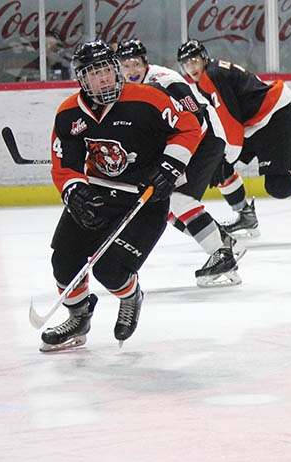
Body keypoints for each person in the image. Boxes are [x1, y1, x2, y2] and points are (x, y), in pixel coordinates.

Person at [40, 40, 203, 352]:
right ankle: (79, 317)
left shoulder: (149, 99)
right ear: (81, 79)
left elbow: (188, 128)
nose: (102, 79)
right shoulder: (68, 114)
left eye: (106, 70)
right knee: (63, 261)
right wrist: (74, 191)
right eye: (93, 74)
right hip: (99, 193)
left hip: (146, 198)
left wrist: (169, 167)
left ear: (115, 70)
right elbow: (64, 162)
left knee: (110, 271)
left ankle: (130, 296)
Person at [116, 38, 243, 287]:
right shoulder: (127, 90)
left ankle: (222, 254)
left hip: (204, 137)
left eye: (135, 64)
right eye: (126, 66)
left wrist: (185, 158)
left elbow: (196, 116)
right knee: (164, 205)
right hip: (184, 143)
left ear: (145, 63)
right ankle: (222, 241)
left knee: (179, 199)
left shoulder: (165, 80)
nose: (131, 71)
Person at [177, 39, 291, 237]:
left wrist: (224, 157)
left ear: (204, 58)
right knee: (218, 162)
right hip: (259, 125)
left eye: (194, 61)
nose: (191, 67)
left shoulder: (212, 76)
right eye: (186, 63)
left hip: (276, 121)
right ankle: (245, 215)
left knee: (278, 186)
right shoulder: (210, 75)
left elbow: (231, 122)